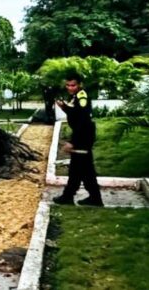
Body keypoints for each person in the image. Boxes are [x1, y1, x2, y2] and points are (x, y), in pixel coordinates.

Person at [52, 72, 103, 206]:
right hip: (82, 134)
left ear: (80, 85)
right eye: (68, 85)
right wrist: (64, 107)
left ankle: (75, 196)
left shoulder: (82, 97)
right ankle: (82, 197)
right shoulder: (75, 96)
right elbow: (75, 114)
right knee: (80, 169)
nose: (70, 88)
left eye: (73, 85)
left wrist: (72, 142)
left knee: (82, 169)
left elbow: (82, 120)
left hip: (83, 135)